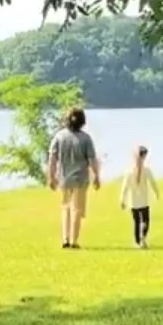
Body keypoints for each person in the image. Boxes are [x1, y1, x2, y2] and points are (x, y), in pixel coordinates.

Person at [47, 106, 100, 249]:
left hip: (64, 179)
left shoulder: (59, 137)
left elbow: (52, 158)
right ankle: (74, 240)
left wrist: (51, 176)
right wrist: (96, 176)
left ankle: (65, 239)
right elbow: (92, 160)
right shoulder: (85, 138)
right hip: (80, 179)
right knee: (77, 210)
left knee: (65, 208)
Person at [120, 144, 160, 248]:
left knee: (136, 222)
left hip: (133, 202)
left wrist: (122, 199)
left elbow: (125, 187)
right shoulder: (146, 170)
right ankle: (143, 237)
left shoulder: (129, 171)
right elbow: (153, 183)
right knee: (146, 220)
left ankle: (138, 242)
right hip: (144, 201)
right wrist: (157, 193)